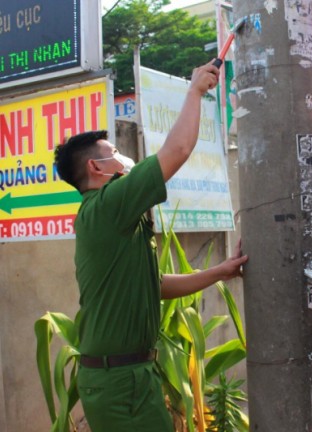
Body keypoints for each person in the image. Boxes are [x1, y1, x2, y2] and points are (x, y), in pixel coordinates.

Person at [54, 61, 248, 432]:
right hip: (121, 382)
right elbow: (177, 150)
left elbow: (154, 286)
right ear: (97, 168)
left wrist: (221, 270)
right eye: (114, 153)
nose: (124, 160)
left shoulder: (114, 218)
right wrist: (195, 91)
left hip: (128, 377)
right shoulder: (109, 204)